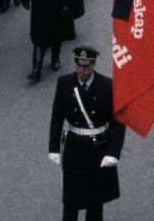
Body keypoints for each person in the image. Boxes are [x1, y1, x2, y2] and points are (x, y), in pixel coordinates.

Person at [49, 45, 125, 221]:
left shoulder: (107, 85)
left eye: (86, 66)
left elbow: (117, 122)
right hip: (74, 146)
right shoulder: (65, 83)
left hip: (97, 148)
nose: (82, 70)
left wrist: (114, 152)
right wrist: (53, 148)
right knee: (70, 199)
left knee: (95, 200)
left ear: (94, 64)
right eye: (79, 65)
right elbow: (57, 117)